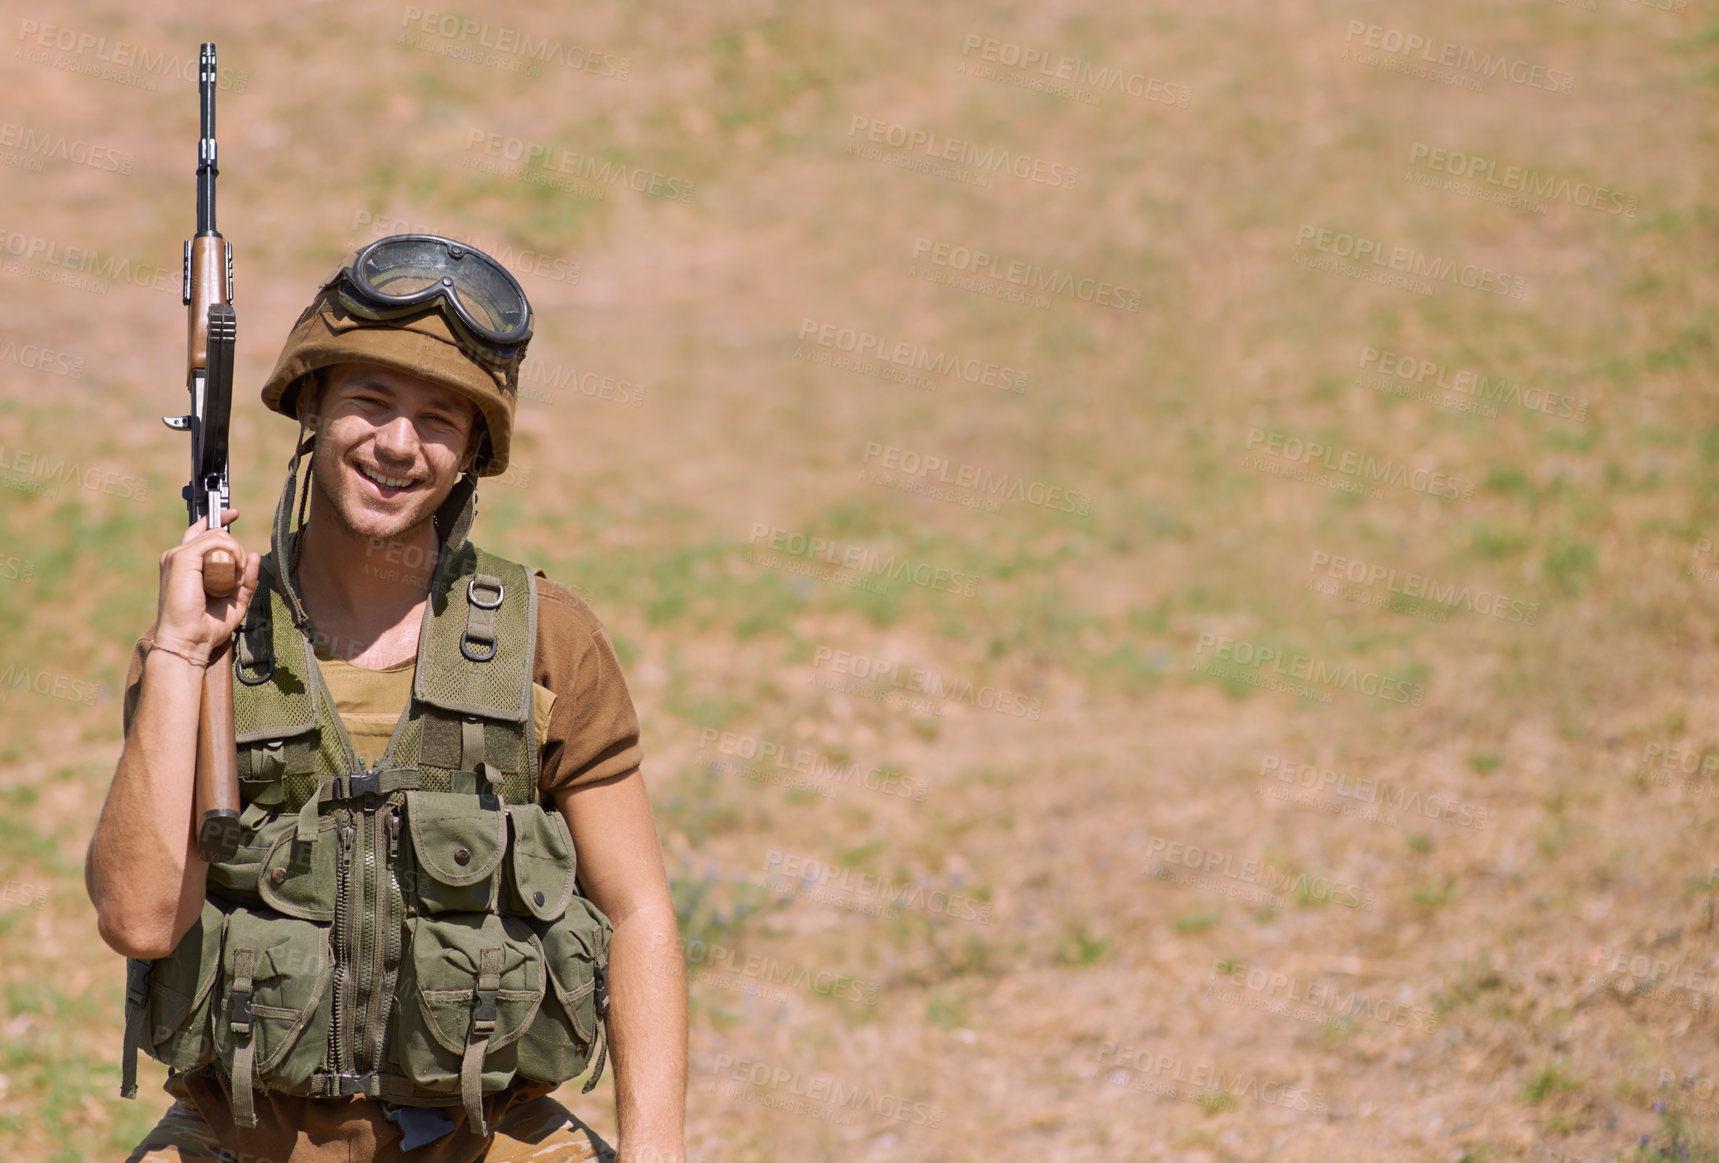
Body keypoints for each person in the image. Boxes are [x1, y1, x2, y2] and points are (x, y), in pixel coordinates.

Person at [85, 234, 687, 1162]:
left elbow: (641, 911)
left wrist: (657, 1152)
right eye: (370, 402)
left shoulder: (546, 640)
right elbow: (138, 917)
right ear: (313, 407)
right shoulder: (205, 645)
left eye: (441, 418)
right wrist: (177, 651)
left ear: (474, 453)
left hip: (486, 1134)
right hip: (243, 1136)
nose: (399, 445)